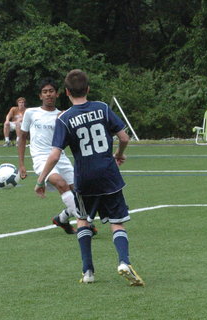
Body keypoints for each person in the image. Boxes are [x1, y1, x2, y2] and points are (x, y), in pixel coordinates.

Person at [35, 69, 143, 286]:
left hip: (84, 179)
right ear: (88, 89)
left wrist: (41, 180)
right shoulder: (102, 108)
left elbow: (54, 154)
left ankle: (88, 272)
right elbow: (124, 137)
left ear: (66, 92)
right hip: (109, 175)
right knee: (117, 222)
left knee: (83, 220)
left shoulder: (64, 118)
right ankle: (124, 262)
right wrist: (118, 154)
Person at [18, 78, 91, 235]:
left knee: (80, 193)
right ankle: (85, 224)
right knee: (61, 184)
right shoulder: (31, 113)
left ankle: (61, 219)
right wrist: (22, 164)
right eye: (44, 92)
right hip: (41, 159)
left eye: (51, 91)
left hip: (60, 157)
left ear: (57, 94)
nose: (48, 94)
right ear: (40, 96)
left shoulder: (63, 115)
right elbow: (22, 137)